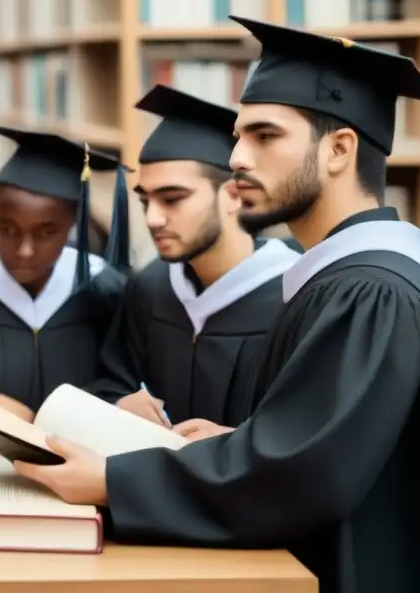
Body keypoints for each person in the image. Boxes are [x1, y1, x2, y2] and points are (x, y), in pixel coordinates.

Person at [12, 17, 420, 593]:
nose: (236, 157)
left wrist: (114, 480)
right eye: (238, 136)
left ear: (339, 150)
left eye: (264, 136)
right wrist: (237, 443)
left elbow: (308, 476)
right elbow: (332, 446)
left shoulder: (369, 291)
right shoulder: (348, 279)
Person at [91, 85, 299, 428]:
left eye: (172, 199)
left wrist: (233, 447)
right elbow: (111, 381)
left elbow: (311, 433)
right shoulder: (150, 287)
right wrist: (120, 405)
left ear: (234, 195)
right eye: (146, 201)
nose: (153, 218)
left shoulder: (296, 295)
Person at [0, 120, 130, 435]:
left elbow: (121, 385)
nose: (25, 250)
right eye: (7, 229)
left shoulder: (104, 290)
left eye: (46, 232)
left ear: (72, 224)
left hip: (77, 465)